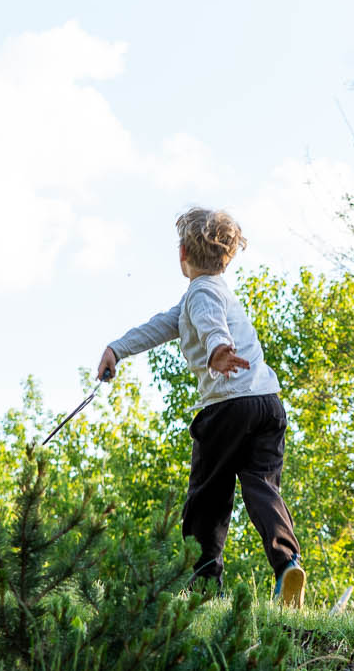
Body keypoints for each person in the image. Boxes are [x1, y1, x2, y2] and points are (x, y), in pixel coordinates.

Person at [97, 207, 306, 607]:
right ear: (228, 257)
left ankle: (205, 583)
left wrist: (217, 350)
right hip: (267, 404)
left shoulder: (202, 293)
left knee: (206, 499)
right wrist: (116, 349)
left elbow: (212, 325)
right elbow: (160, 326)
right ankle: (287, 563)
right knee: (262, 487)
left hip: (228, 406)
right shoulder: (214, 293)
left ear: (182, 254)